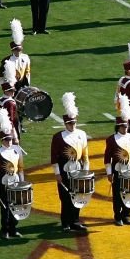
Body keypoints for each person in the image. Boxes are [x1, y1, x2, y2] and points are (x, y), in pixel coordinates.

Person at [50, 92, 90, 234]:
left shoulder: (82, 134)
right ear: (65, 123)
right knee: (66, 198)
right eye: (69, 123)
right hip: (65, 172)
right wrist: (57, 173)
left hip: (78, 171)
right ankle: (65, 223)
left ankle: (75, 221)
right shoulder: (58, 137)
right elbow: (54, 157)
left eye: (73, 123)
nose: (72, 125)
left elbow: (85, 154)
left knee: (78, 196)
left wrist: (86, 170)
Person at [0, 111, 26, 239]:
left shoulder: (17, 150)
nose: (9, 141)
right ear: (1, 140)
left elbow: (20, 168)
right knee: (5, 208)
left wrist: (22, 182)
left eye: (10, 139)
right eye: (6, 139)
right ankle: (4, 230)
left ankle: (13, 229)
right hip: (3, 184)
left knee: (15, 207)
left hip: (15, 183)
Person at [104, 99, 130, 226]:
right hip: (118, 171)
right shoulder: (111, 139)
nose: (125, 128)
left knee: (129, 194)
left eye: (126, 126)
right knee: (118, 195)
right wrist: (109, 173)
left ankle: (127, 215)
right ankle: (117, 216)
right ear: (118, 127)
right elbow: (107, 158)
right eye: (123, 126)